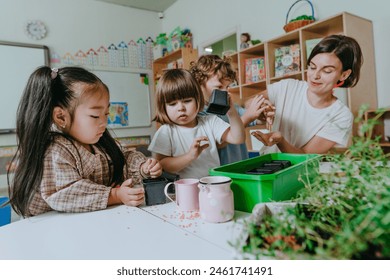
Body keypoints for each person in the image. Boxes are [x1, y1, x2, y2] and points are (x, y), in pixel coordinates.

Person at [7, 66, 162, 217]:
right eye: (95, 116)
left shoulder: (98, 141)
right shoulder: (54, 150)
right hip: (47, 228)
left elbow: (122, 160)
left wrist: (142, 168)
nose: (104, 122)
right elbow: (66, 192)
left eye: (106, 113)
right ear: (61, 117)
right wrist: (114, 195)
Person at [251, 34, 363, 154]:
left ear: (344, 75)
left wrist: (281, 141)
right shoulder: (288, 86)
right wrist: (260, 108)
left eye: (327, 71)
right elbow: (246, 103)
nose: (315, 76)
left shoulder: (341, 116)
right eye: (312, 67)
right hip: (265, 165)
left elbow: (305, 156)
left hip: (301, 171)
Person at [148, 68, 245, 179]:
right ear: (163, 107)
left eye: (187, 101)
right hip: (185, 190)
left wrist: (232, 112)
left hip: (213, 185)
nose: (181, 108)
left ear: (198, 100)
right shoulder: (166, 131)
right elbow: (163, 164)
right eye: (172, 104)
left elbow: (238, 138)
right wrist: (190, 156)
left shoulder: (210, 121)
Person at [189, 54, 274, 165]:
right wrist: (248, 117)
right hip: (220, 174)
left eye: (228, 86)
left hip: (240, 166)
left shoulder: (230, 106)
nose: (225, 92)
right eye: (219, 87)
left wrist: (263, 113)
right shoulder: (198, 114)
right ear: (199, 84)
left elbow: (256, 119)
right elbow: (217, 144)